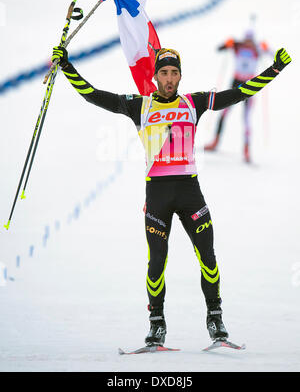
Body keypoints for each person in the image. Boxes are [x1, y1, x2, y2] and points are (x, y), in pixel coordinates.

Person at [51, 45, 291, 346]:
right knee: (157, 263)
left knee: (208, 257)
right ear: (155, 76)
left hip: (190, 192)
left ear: (180, 76)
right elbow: (93, 94)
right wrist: (68, 67)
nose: (168, 78)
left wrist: (275, 69)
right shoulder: (139, 106)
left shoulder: (194, 103)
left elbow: (239, 93)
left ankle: (215, 319)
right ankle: (157, 323)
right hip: (158, 195)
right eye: (163, 72)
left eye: (174, 73)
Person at [205, 31, 273, 162]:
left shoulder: (257, 49)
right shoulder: (237, 46)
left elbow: (273, 55)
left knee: (246, 118)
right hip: (235, 83)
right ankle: (215, 141)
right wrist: (226, 43)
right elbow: (219, 49)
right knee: (224, 112)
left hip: (250, 85)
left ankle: (246, 149)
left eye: (250, 41)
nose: (248, 43)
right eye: (246, 40)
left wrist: (266, 48)